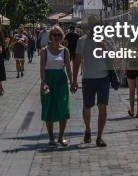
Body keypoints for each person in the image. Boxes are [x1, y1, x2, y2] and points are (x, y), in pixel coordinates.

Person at [71, 16, 110, 147]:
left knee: (102, 106)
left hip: (103, 78)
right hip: (88, 78)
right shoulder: (82, 41)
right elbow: (76, 62)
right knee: (87, 107)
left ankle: (99, 136)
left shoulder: (106, 40)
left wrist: (104, 46)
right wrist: (73, 80)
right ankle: (88, 129)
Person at [40, 25, 72, 148]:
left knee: (63, 107)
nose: (56, 37)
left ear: (62, 37)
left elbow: (68, 68)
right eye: (54, 35)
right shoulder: (44, 51)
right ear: (50, 36)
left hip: (61, 82)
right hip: (48, 80)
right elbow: (42, 68)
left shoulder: (65, 50)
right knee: (49, 107)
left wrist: (73, 82)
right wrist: (43, 83)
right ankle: (51, 137)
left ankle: (61, 136)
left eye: (59, 35)